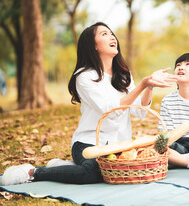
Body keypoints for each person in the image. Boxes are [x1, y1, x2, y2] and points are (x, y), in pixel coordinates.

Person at [2, 22, 177, 185]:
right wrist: (142, 85)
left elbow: (139, 112)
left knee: (126, 169)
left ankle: (63, 166)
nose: (112, 37)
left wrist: (149, 87)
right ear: (93, 45)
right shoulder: (84, 76)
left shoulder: (123, 74)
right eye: (104, 33)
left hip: (119, 146)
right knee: (94, 172)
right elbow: (112, 110)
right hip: (88, 144)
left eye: (112, 33)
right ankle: (33, 173)